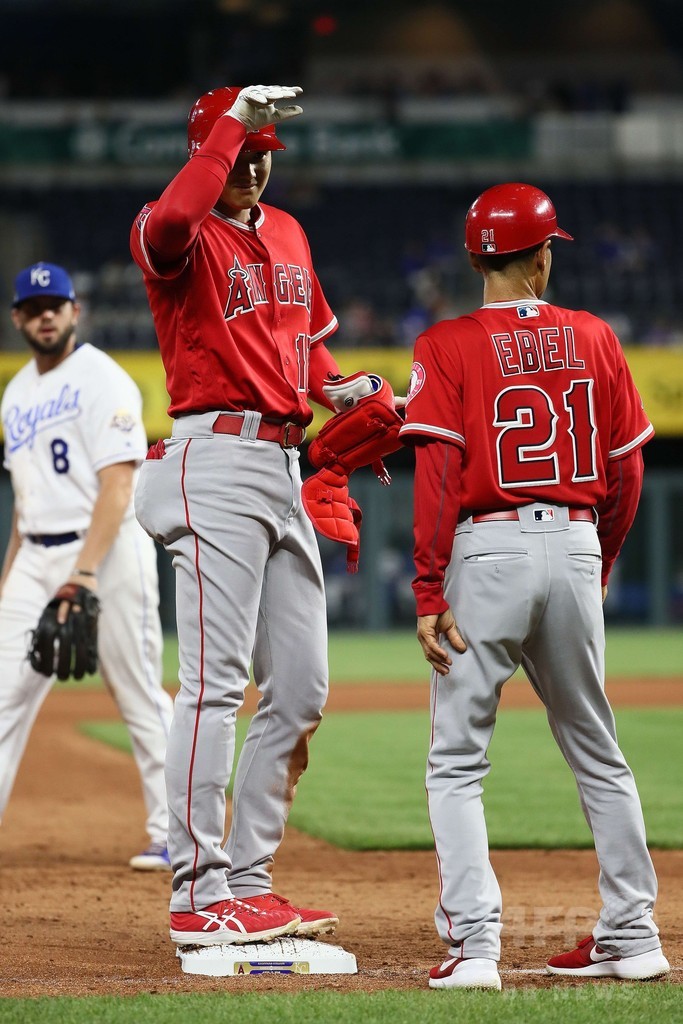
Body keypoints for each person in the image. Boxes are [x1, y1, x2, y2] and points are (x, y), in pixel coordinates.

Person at [399, 183, 670, 990]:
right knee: (598, 752)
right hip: (577, 545)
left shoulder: (444, 342)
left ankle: (475, 948)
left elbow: (438, 472)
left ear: (476, 258)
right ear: (542, 254)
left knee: (456, 761)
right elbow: (627, 471)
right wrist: (598, 558)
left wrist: (424, 587)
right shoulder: (594, 334)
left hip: (487, 552)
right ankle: (633, 935)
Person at [130, 85, 351, 947]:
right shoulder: (169, 225)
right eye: (243, 150)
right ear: (212, 150)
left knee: (298, 690)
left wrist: (345, 389)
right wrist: (225, 131)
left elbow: (309, 344)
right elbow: (178, 214)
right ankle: (196, 894)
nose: (257, 165)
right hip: (213, 456)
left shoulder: (289, 231)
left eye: (265, 152)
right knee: (216, 684)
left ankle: (249, 880)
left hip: (285, 462)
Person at [0, 262, 174, 872]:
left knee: (136, 690)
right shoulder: (15, 392)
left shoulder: (103, 379)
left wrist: (84, 573)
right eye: (33, 306)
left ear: (76, 312)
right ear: (18, 317)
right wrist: (10, 585)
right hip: (36, 552)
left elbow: (118, 487)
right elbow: (24, 504)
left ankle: (177, 831)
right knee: (3, 695)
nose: (45, 314)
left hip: (106, 550)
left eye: (57, 304)